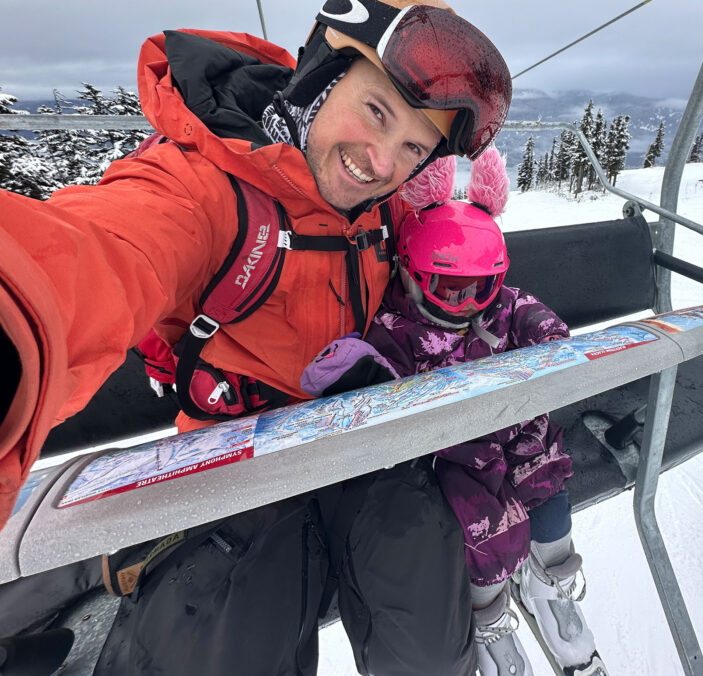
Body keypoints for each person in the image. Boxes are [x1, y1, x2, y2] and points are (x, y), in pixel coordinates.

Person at [0, 1, 512, 674]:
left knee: (423, 604)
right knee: (233, 614)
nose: (382, 160)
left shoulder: (381, 205)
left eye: (415, 147)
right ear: (322, 75)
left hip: (358, 438)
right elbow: (86, 256)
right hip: (235, 464)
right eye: (377, 112)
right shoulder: (204, 189)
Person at [301, 149, 607, 676]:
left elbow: (528, 312)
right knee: (484, 531)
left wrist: (549, 342)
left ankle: (551, 576)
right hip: (455, 457)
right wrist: (359, 374)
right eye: (448, 289)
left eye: (479, 289)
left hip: (515, 430)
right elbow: (381, 381)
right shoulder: (397, 327)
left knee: (549, 482)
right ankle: (488, 613)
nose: (465, 304)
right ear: (411, 273)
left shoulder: (501, 305)